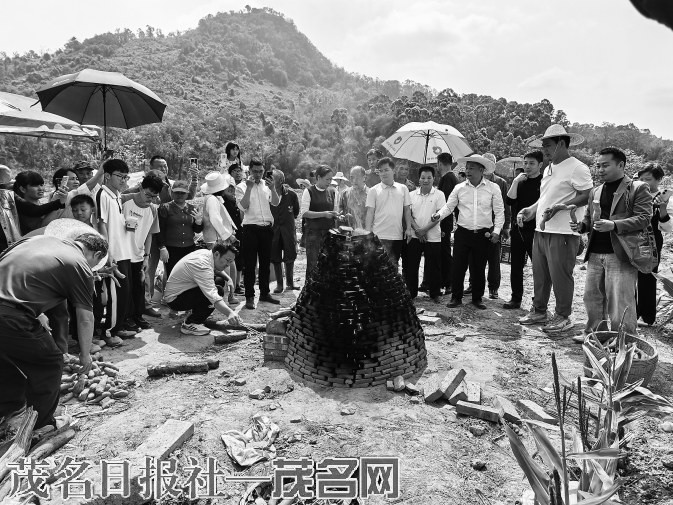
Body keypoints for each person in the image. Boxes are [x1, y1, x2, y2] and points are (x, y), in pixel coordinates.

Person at [0, 233, 107, 429]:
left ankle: (7, 411)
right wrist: (85, 355)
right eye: (95, 265)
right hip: (10, 315)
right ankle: (41, 425)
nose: (92, 269)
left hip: (9, 309)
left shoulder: (36, 240)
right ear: (97, 254)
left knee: (6, 360)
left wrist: (37, 311)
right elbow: (85, 317)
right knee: (50, 363)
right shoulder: (79, 264)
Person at [570, 147, 652, 341]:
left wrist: (614, 225)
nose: (600, 170)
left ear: (621, 165)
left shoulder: (638, 188)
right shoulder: (596, 191)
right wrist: (582, 226)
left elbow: (643, 218)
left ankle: (624, 339)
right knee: (592, 297)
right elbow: (590, 218)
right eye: (598, 166)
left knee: (620, 300)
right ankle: (595, 334)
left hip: (621, 253)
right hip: (595, 252)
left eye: (605, 165)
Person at [517, 125, 593, 332]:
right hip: (542, 230)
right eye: (543, 146)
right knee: (540, 274)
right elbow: (546, 197)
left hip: (564, 232)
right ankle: (539, 311)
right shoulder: (549, 168)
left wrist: (562, 206)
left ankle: (562, 316)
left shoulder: (577, 167)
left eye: (548, 145)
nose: (544, 150)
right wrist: (532, 209)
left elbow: (588, 195)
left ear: (561, 144)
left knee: (560, 276)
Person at [127, 155, 198, 318]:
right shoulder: (145, 185)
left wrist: (194, 179)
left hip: (166, 235)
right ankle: (146, 303)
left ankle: (168, 299)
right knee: (149, 269)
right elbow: (127, 195)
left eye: (165, 166)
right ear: (151, 168)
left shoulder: (170, 185)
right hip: (146, 233)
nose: (163, 169)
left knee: (170, 270)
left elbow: (188, 196)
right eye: (159, 166)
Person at [431, 154, 505, 310]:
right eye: (467, 168)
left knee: (479, 267)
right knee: (458, 267)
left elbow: (499, 212)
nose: (468, 171)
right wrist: (439, 215)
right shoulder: (459, 188)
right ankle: (456, 297)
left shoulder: (493, 188)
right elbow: (449, 206)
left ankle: (477, 298)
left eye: (472, 168)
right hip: (463, 233)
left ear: (481, 170)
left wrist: (497, 231)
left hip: (483, 234)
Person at [96, 159, 137, 341]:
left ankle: (118, 327)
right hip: (113, 253)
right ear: (107, 176)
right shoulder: (102, 195)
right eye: (119, 176)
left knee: (124, 293)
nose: (123, 180)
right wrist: (108, 253)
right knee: (115, 293)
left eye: (125, 177)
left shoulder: (117, 195)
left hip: (124, 250)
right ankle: (109, 332)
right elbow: (101, 224)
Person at [163, 242, 243, 336]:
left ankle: (197, 313)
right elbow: (213, 295)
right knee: (218, 291)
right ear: (217, 254)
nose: (228, 265)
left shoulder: (206, 253)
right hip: (175, 300)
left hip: (182, 291)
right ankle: (190, 324)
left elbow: (215, 269)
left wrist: (228, 279)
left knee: (220, 280)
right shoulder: (202, 265)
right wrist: (230, 313)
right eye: (227, 260)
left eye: (230, 262)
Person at [119, 173, 163, 332]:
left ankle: (137, 316)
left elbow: (150, 234)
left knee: (139, 288)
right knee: (125, 289)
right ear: (140, 188)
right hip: (122, 253)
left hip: (138, 254)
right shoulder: (124, 200)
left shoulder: (153, 209)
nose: (150, 199)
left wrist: (146, 256)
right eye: (148, 195)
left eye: (154, 196)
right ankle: (125, 319)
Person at [235, 157, 281, 309]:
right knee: (250, 264)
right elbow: (242, 207)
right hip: (250, 228)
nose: (258, 174)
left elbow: (275, 203)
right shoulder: (241, 186)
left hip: (266, 227)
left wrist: (273, 188)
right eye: (255, 171)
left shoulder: (266, 185)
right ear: (249, 171)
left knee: (265, 263)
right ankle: (249, 296)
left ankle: (264, 293)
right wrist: (249, 188)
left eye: (261, 171)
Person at [503, 151, 544, 309]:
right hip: (518, 229)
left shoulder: (544, 182)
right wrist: (515, 181)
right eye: (525, 163)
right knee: (516, 265)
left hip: (537, 230)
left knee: (538, 267)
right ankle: (516, 298)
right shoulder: (520, 181)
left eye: (531, 163)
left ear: (540, 165)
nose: (527, 166)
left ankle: (538, 300)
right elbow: (509, 201)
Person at [0, 169, 66, 251]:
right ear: (23, 189)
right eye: (35, 185)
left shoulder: (44, 205)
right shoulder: (15, 205)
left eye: (41, 185)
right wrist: (58, 202)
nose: (41, 188)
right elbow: (35, 211)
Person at [635, 164, 669, 325]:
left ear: (659, 179)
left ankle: (647, 317)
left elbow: (667, 227)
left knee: (648, 276)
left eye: (647, 179)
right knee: (629, 276)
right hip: (632, 238)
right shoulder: (635, 194)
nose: (643, 182)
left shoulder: (664, 197)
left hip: (652, 240)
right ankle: (632, 313)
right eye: (641, 179)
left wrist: (662, 208)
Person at [406, 165, 445, 302]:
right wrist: (418, 230)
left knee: (433, 266)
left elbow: (439, 215)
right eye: (423, 177)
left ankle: (435, 293)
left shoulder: (439, 195)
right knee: (412, 265)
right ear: (419, 179)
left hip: (432, 237)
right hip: (415, 236)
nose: (426, 180)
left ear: (434, 179)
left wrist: (424, 230)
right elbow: (408, 215)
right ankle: (411, 292)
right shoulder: (411, 195)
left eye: (429, 177)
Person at [365, 157, 413, 266]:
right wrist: (367, 233)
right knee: (378, 268)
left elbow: (407, 210)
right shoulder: (373, 190)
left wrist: (409, 229)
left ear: (393, 171)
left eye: (386, 170)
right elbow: (370, 213)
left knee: (394, 266)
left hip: (397, 235)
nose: (383, 173)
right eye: (381, 171)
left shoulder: (403, 189)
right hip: (379, 236)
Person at [157, 181, 204, 278]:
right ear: (172, 193)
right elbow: (160, 229)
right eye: (177, 192)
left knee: (187, 276)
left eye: (182, 193)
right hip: (171, 249)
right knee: (172, 275)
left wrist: (198, 222)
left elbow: (197, 230)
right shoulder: (165, 208)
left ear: (187, 194)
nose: (179, 195)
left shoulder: (192, 208)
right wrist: (162, 247)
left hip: (189, 248)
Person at [431, 153, 459, 295]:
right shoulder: (451, 178)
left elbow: (445, 202)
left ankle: (449, 283)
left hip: (444, 221)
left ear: (440, 164)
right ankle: (443, 281)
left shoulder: (448, 178)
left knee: (444, 253)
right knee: (442, 252)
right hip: (444, 220)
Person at [301, 165, 337, 274]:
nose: (329, 182)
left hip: (329, 234)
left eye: (331, 179)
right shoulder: (309, 191)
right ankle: (310, 285)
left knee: (327, 265)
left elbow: (334, 210)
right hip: (313, 234)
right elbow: (304, 213)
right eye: (327, 179)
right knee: (313, 265)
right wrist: (324, 214)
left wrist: (338, 215)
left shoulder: (333, 191)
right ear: (318, 178)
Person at [270, 169, 300, 292]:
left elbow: (296, 212)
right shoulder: (267, 194)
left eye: (272, 178)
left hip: (288, 230)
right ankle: (279, 284)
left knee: (290, 256)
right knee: (275, 257)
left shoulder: (291, 195)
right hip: (273, 230)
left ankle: (290, 283)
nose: (269, 181)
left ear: (281, 180)